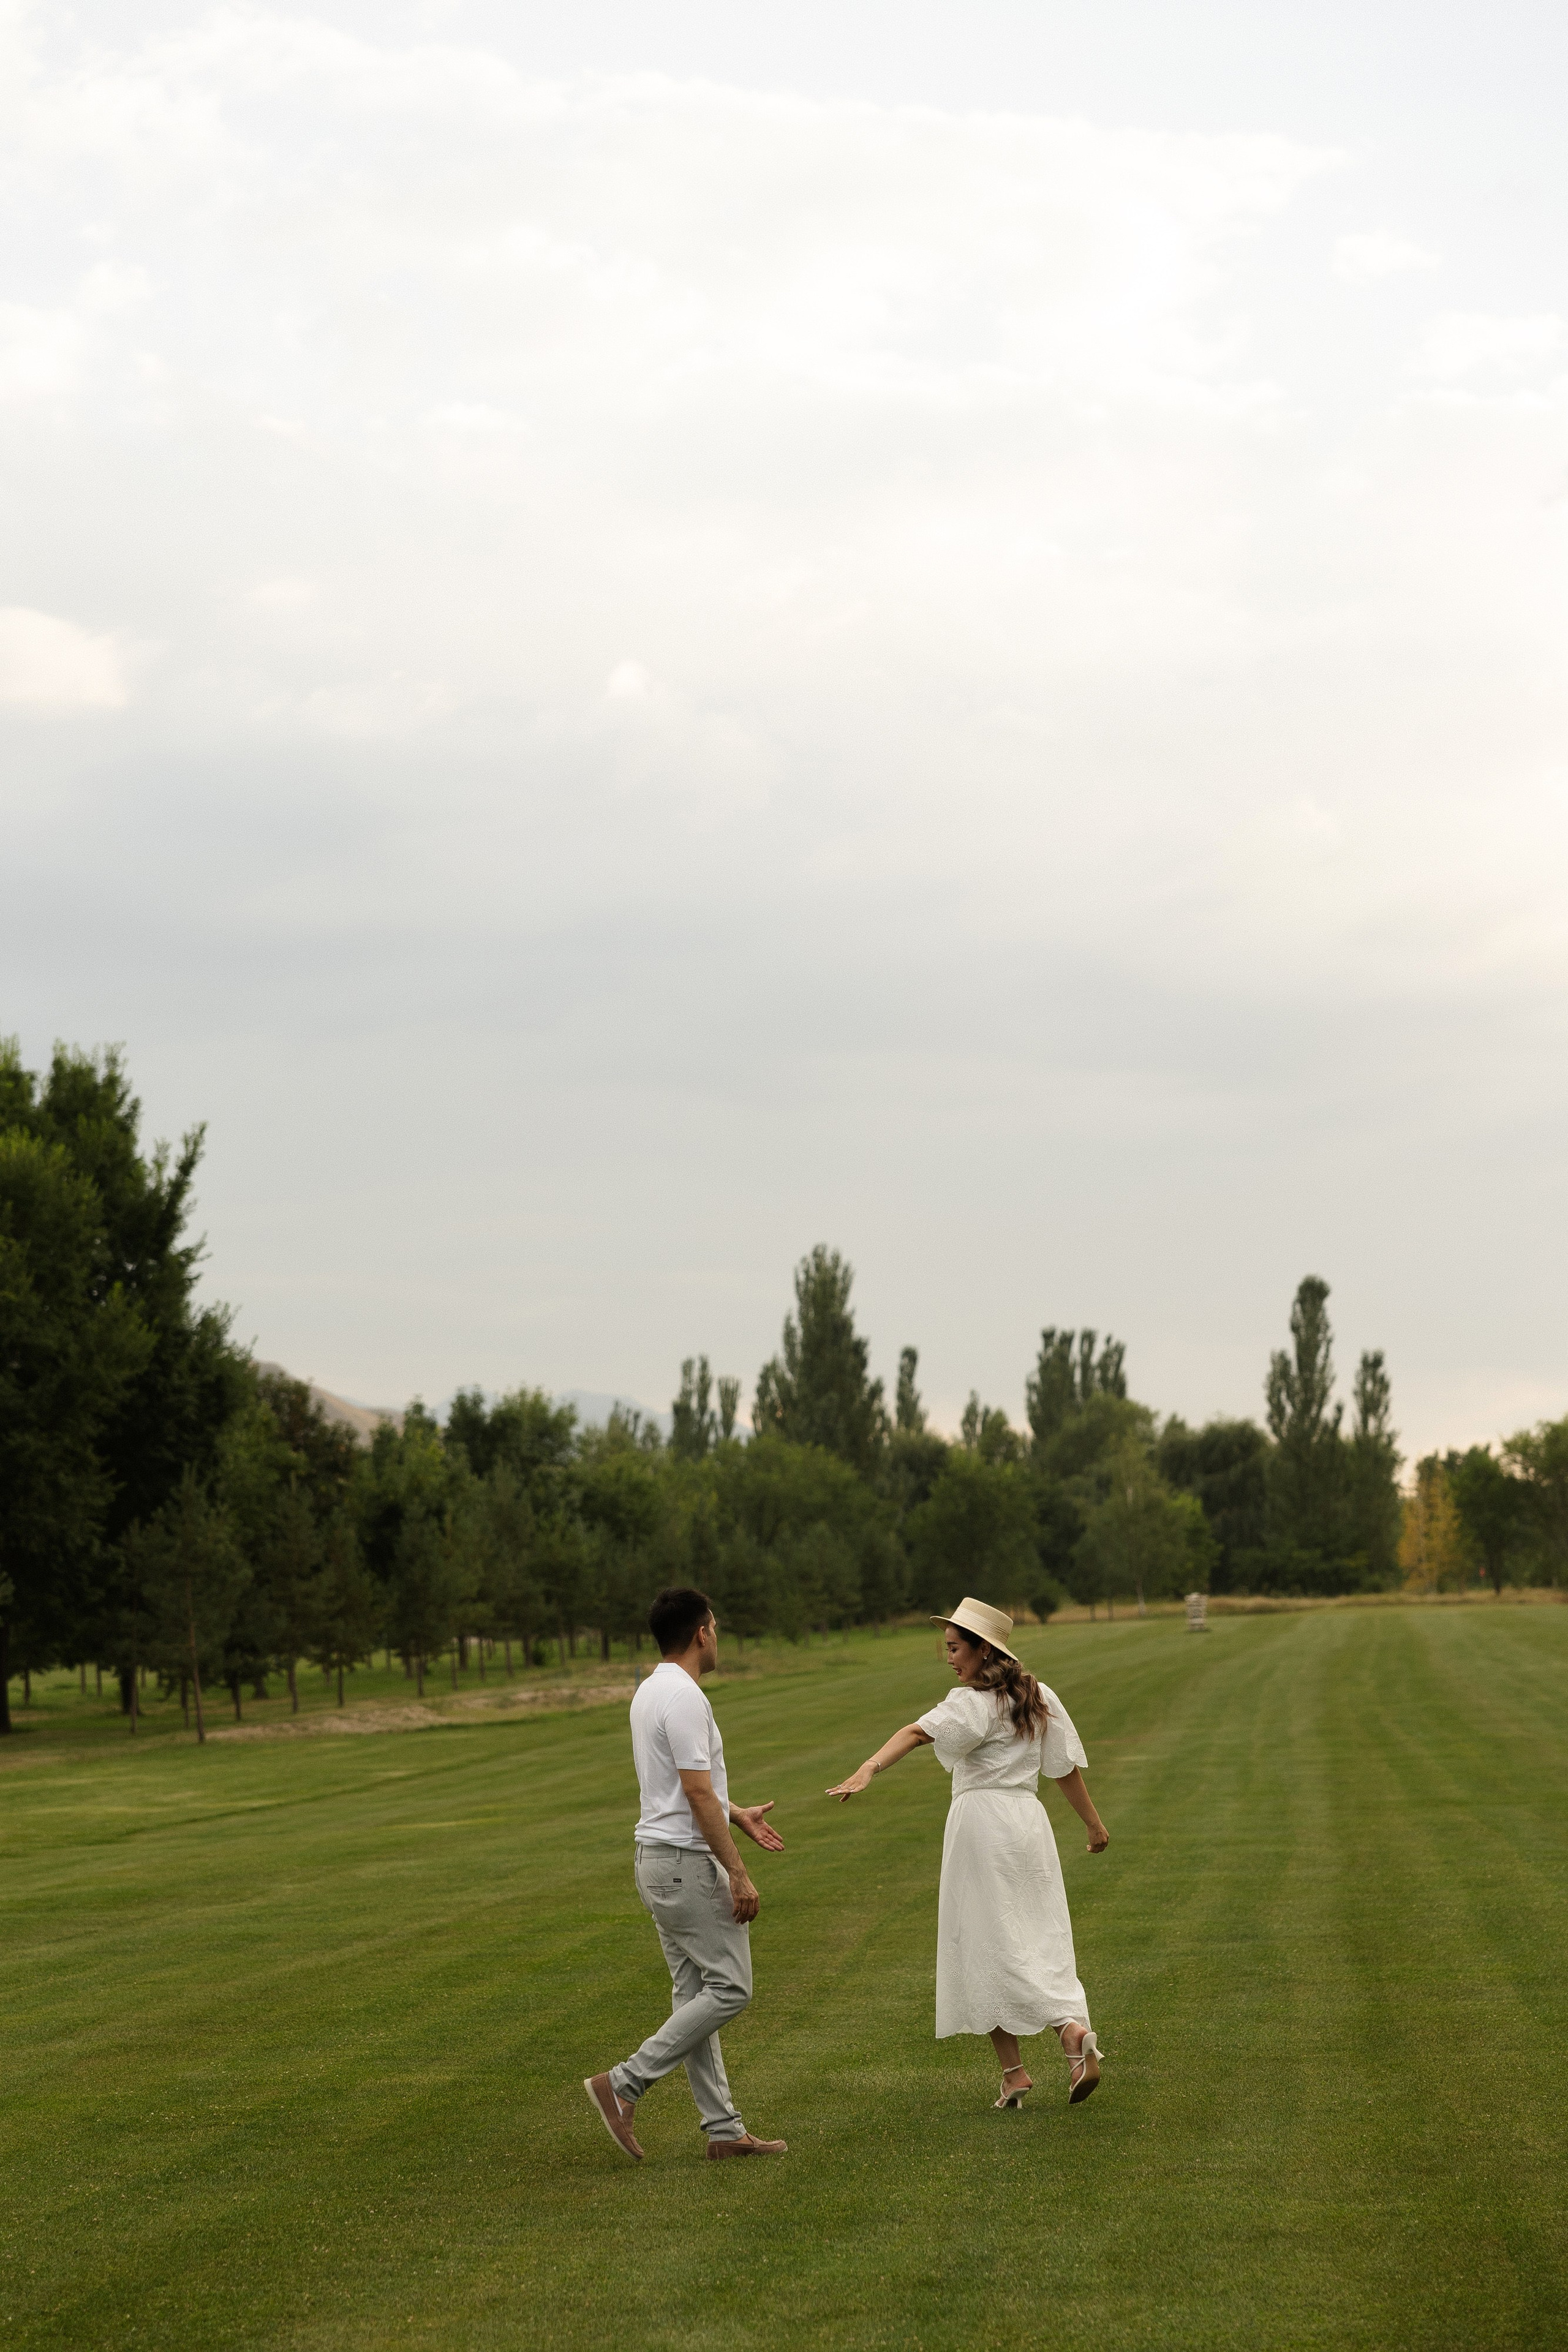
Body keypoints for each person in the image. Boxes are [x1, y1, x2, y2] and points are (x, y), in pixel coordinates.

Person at [827, 1596, 1109, 2109]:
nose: (950, 1658)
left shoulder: (971, 1703)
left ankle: (1057, 2038)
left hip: (981, 1826)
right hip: (1029, 1825)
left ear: (984, 1650)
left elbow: (916, 1733)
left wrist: (869, 1767)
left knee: (985, 1941)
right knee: (1037, 1933)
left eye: (956, 1648)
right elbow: (1063, 1767)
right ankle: (1031, 2063)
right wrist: (1093, 1824)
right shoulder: (1037, 1695)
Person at [584, 1585, 789, 2163]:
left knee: (695, 1995)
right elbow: (696, 1793)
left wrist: (735, 1811)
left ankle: (724, 2130)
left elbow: (686, 1789)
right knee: (732, 1987)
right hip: (684, 1866)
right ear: (702, 1634)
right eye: (715, 1628)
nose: (717, 1637)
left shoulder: (651, 1689)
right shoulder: (685, 1698)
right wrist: (738, 1873)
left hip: (655, 1862)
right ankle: (623, 2083)